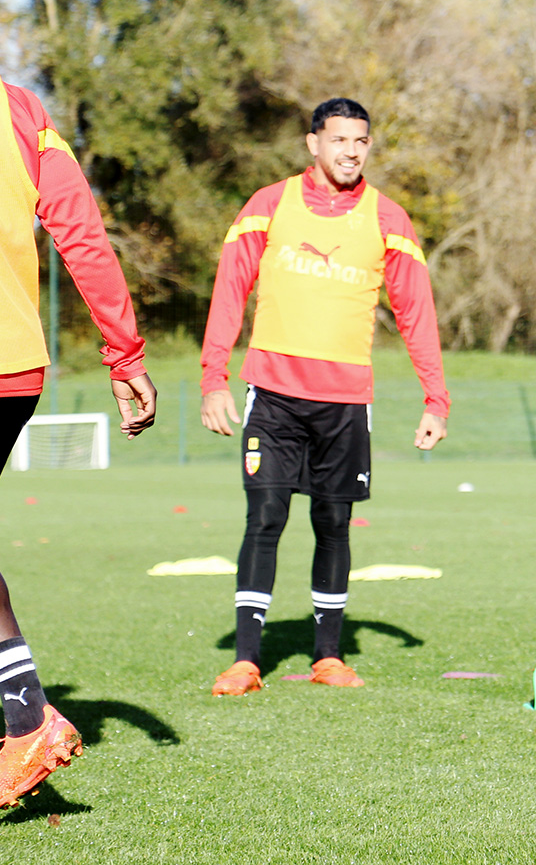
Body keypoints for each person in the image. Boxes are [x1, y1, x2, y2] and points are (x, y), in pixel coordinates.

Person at [0, 0, 157, 831]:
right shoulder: (16, 105)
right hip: (10, 375)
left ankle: (32, 721)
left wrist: (127, 351)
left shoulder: (14, 104)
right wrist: (125, 352)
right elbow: (80, 227)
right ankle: (30, 717)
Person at [199, 98, 448, 695]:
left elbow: (416, 312)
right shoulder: (268, 204)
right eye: (339, 140)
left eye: (361, 141)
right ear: (313, 143)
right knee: (265, 517)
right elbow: (230, 291)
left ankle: (328, 657)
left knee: (333, 522)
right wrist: (214, 379)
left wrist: (435, 398)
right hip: (275, 396)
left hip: (345, 403)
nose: (351, 151)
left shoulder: (389, 219)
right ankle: (246, 660)